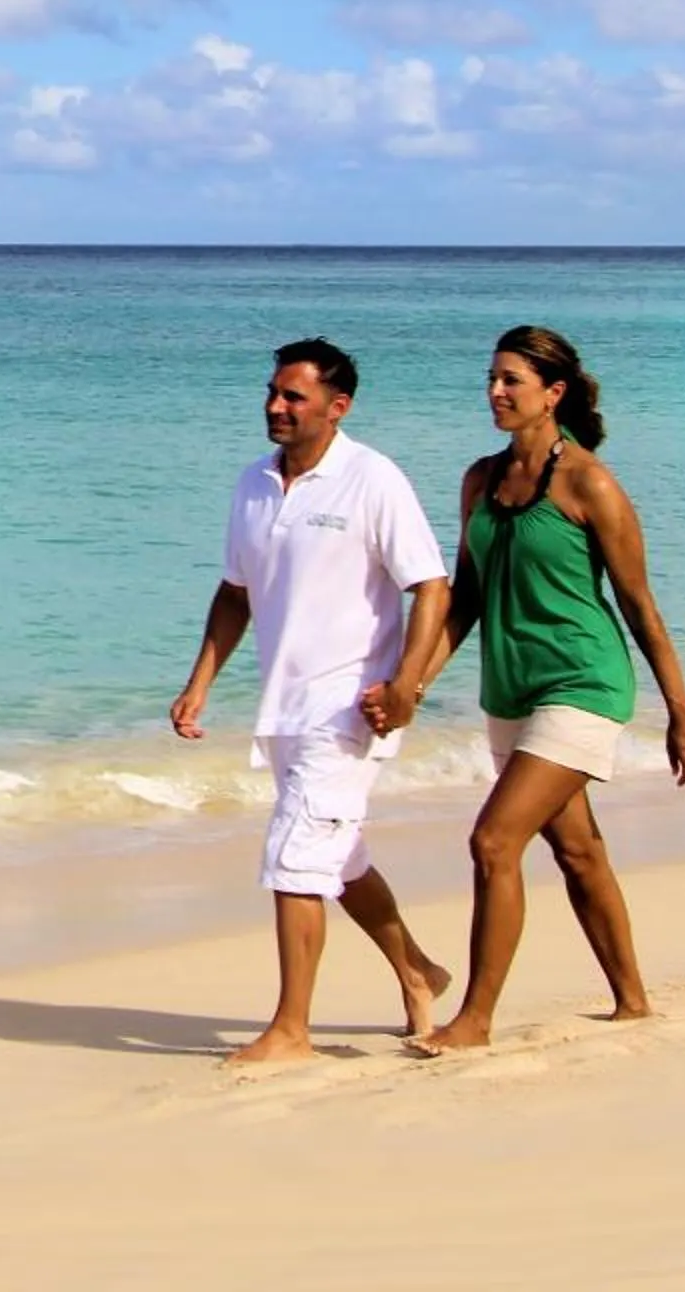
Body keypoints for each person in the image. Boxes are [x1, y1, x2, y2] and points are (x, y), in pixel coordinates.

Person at [397, 325, 685, 1055]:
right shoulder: (479, 479)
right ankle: (633, 1001)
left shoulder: (589, 483)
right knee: (578, 852)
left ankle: (473, 1020)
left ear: (553, 393)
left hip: (583, 681)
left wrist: (683, 719)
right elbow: (465, 601)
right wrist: (408, 686)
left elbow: (641, 609)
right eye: (491, 378)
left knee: (493, 841)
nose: (495, 392)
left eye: (512, 380)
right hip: (511, 689)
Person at [171, 338, 454, 1064]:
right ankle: (418, 971)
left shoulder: (372, 478)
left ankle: (291, 1030)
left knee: (295, 856)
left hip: (351, 705)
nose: (275, 406)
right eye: (272, 391)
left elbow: (430, 585)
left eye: (293, 397)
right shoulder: (253, 483)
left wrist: (408, 684)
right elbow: (235, 592)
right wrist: (201, 680)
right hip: (284, 705)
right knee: (336, 857)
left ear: (338, 407)